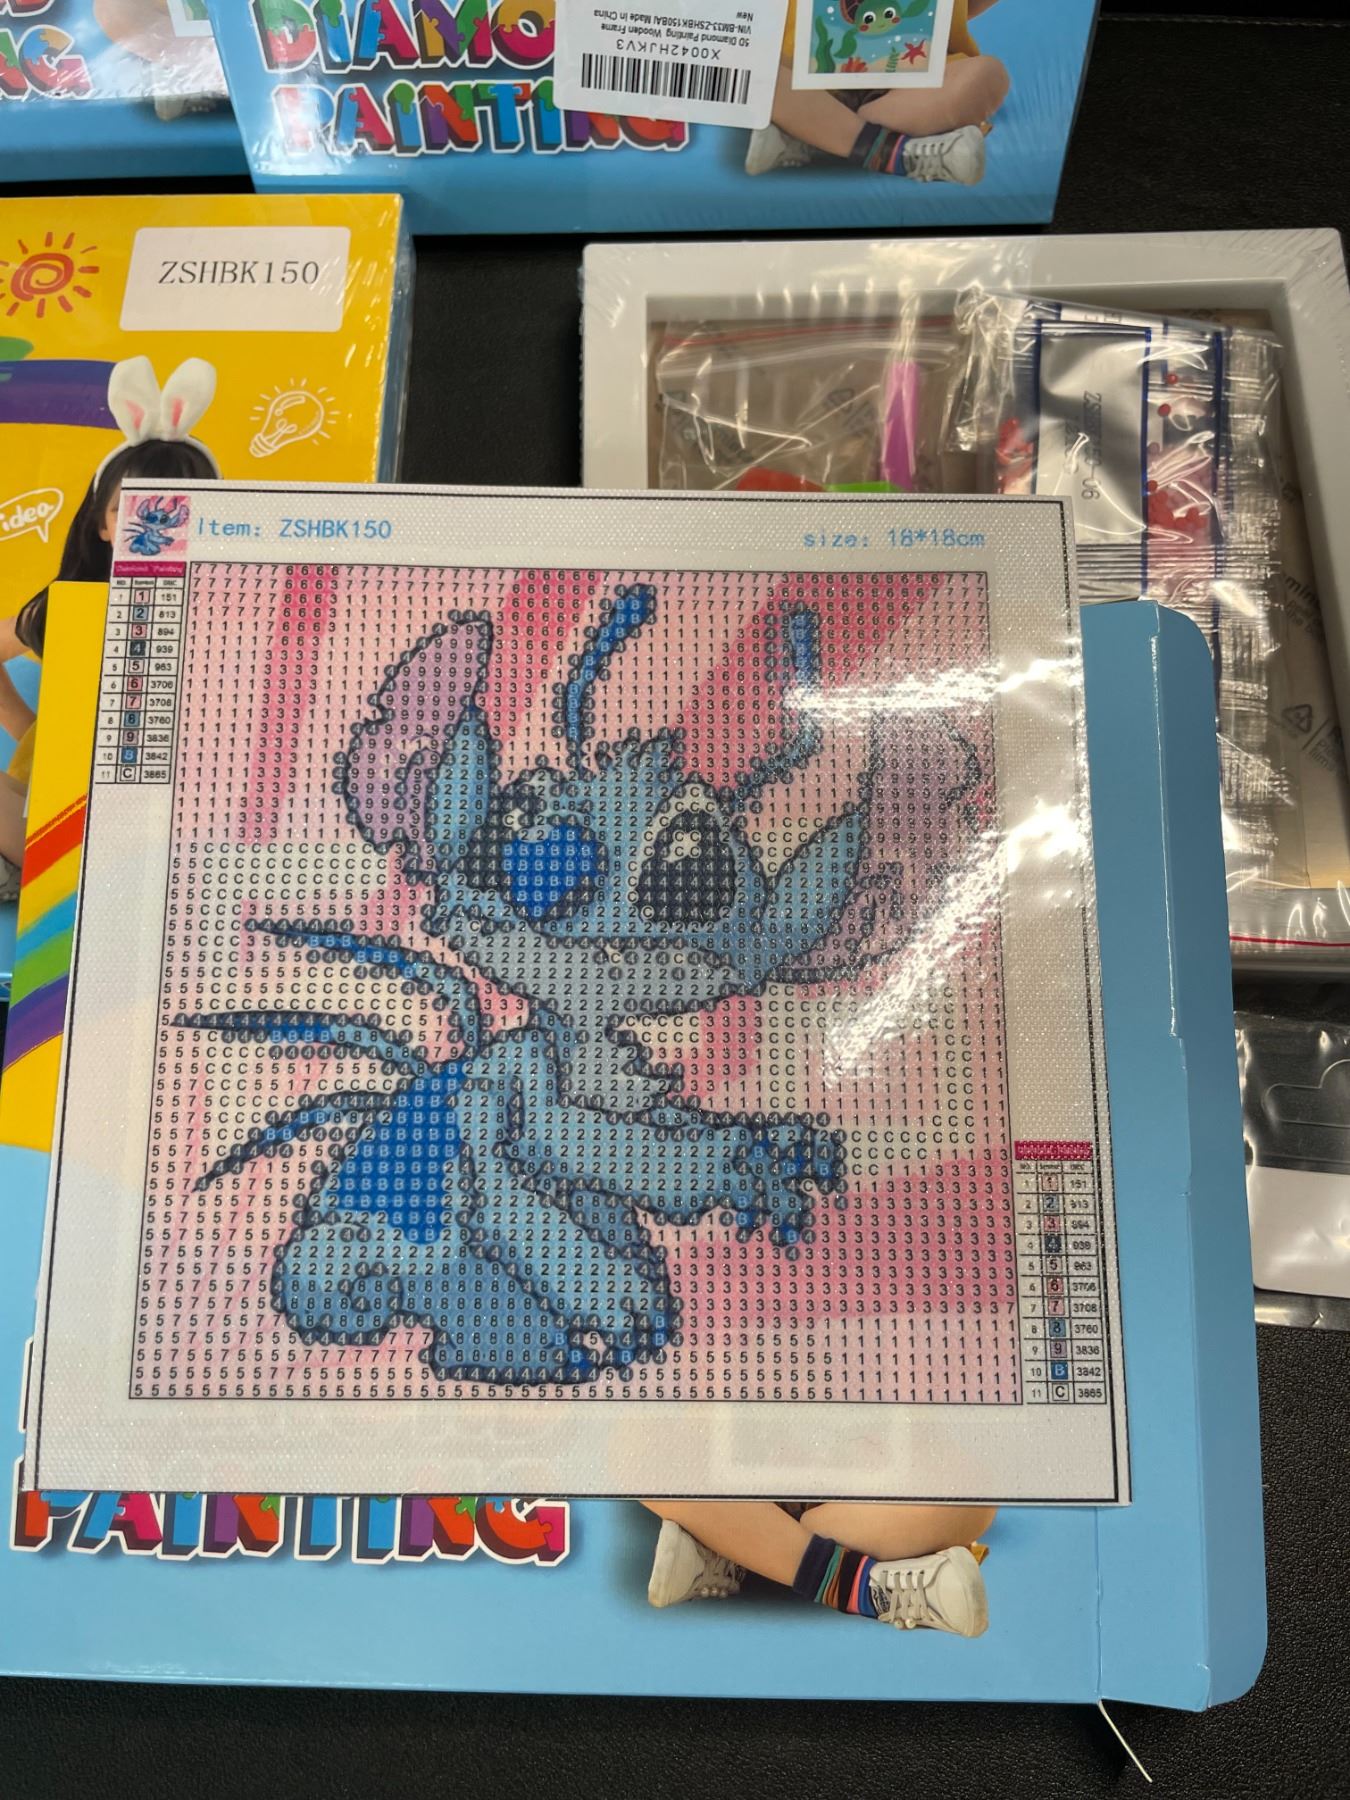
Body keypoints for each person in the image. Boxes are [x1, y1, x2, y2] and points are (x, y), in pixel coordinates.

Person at [0, 357, 218, 890]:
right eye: (131, 511)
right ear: (101, 523)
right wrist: (28, 728)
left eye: (181, 512)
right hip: (54, 828)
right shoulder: (70, 606)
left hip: (166, 834)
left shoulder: (229, 617)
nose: (157, 530)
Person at [642, 1499, 996, 1635]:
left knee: (975, 1498)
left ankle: (734, 1547)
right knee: (635, 1448)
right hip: (732, 1466)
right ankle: (866, 1591)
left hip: (853, 1489)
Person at [747, 0, 1009, 184]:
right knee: (749, 63)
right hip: (805, 72)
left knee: (987, 75)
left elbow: (965, 7)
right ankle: (892, 151)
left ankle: (817, 137)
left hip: (913, 73)